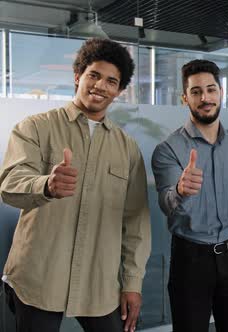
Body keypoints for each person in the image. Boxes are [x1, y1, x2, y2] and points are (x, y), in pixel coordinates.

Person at [0, 38, 151, 332]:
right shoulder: (35, 127)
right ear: (78, 76)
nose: (100, 85)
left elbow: (136, 223)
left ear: (119, 91)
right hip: (39, 277)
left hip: (100, 285)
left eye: (111, 81)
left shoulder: (128, 148)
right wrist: (46, 185)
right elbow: (9, 185)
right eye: (94, 75)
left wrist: (132, 283)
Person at [151, 59, 228, 332]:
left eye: (211, 90)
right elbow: (167, 205)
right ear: (185, 98)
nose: (205, 98)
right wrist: (180, 191)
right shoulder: (168, 149)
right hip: (191, 261)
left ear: (221, 93)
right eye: (196, 91)